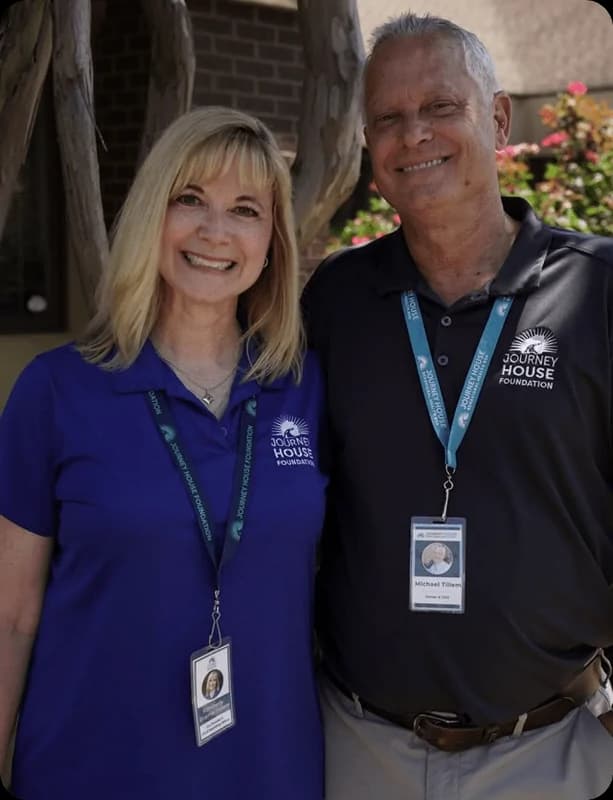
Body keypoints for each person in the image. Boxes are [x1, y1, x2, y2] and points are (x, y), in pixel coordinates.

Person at [303, 11, 613, 800]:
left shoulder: (598, 290)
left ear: (497, 117)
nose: (414, 135)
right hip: (357, 744)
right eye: (388, 118)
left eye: (440, 107)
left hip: (551, 749)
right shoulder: (335, 301)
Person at [0, 106, 328, 800]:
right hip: (89, 770)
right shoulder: (57, 390)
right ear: (153, 214)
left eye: (244, 209)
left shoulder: (305, 389)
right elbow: (11, 615)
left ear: (271, 242)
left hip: (268, 769)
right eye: (190, 200)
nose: (215, 231)